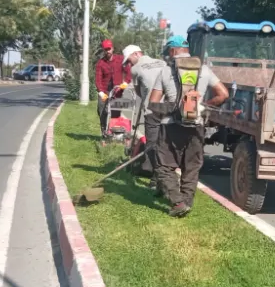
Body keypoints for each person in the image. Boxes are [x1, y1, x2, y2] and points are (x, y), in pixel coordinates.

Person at [147, 36, 230, 217]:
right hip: (196, 124)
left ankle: (178, 202)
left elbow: (152, 104)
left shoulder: (165, 71)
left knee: (163, 166)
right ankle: (187, 202)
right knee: (191, 166)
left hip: (170, 127)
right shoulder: (204, 69)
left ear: (172, 51)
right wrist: (201, 106)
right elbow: (223, 94)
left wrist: (172, 110)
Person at [123, 44, 169, 194]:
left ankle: (157, 179)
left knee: (152, 146)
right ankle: (163, 175)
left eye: (129, 60)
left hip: (152, 111)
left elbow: (138, 92)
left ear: (136, 54)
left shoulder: (135, 69)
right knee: (165, 144)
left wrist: (146, 97)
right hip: (169, 109)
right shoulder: (162, 63)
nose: (129, 64)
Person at [94, 39, 132, 136]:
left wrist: (125, 83)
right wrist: (101, 92)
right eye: (105, 49)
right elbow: (98, 79)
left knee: (115, 112)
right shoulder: (101, 63)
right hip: (105, 91)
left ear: (112, 48)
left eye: (109, 49)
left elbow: (129, 72)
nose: (108, 51)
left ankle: (114, 132)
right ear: (103, 50)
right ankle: (104, 131)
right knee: (102, 110)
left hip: (117, 90)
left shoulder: (120, 59)